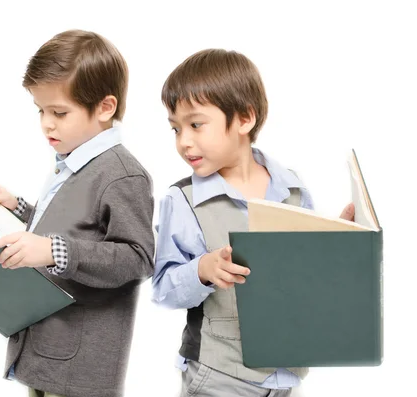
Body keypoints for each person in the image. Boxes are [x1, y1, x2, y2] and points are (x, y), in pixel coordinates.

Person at [151, 48, 354, 397]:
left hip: (287, 376)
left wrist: (337, 244)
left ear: (245, 118)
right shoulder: (181, 200)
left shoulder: (292, 188)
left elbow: (306, 280)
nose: (184, 141)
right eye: (175, 128)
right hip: (218, 378)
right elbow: (163, 289)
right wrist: (202, 269)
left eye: (196, 124)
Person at [0, 29, 155, 397]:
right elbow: (72, 228)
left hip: (80, 368)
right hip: (46, 350)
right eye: (41, 110)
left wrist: (55, 251)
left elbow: (138, 258)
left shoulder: (122, 174)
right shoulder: (73, 162)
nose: (47, 123)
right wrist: (20, 208)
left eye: (59, 112)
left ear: (105, 108)